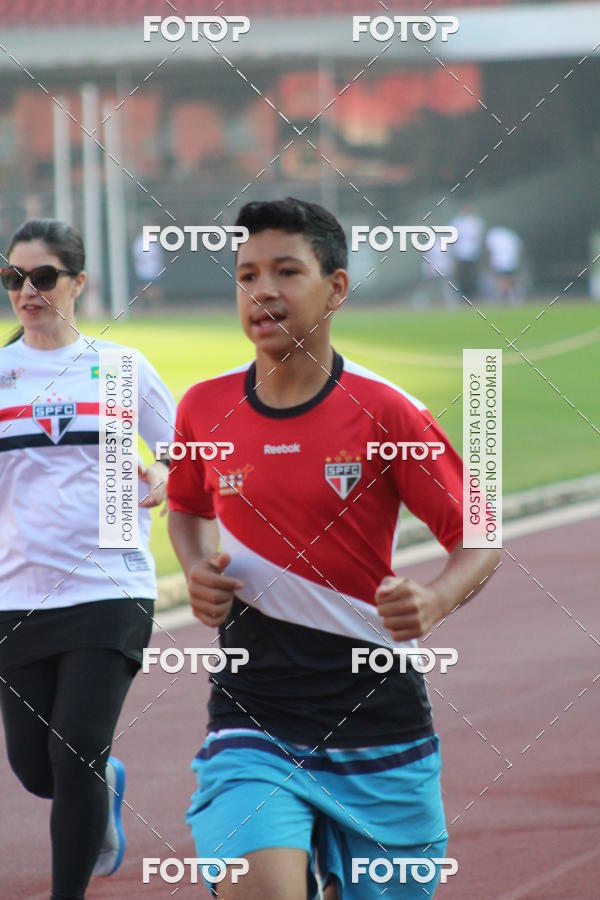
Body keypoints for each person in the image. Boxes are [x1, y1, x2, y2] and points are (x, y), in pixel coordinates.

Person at [167, 198, 501, 900]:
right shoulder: (203, 407)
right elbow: (187, 509)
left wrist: (435, 599)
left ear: (336, 287)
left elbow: (478, 534)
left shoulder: (387, 411)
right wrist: (197, 568)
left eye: (287, 272)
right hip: (252, 721)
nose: (262, 291)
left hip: (378, 724)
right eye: (247, 275)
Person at [0, 218, 176, 900]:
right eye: (13, 277)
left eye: (43, 276)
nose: (28, 291)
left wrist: (163, 475)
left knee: (73, 756)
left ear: (79, 283)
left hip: (110, 588)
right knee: (35, 770)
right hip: (17, 594)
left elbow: (185, 450)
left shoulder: (121, 368)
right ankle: (106, 784)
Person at [449, 204, 485, 299]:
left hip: (473, 253)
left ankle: (474, 296)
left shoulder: (475, 221)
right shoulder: (456, 222)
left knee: (473, 276)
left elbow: (479, 238)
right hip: (460, 254)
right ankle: (464, 296)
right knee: (461, 277)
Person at [484, 225, 524, 304]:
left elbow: (489, 250)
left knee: (502, 281)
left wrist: (488, 262)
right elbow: (519, 247)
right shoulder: (511, 234)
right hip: (512, 261)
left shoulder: (492, 235)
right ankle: (513, 296)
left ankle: (503, 297)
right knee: (509, 280)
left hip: (499, 261)